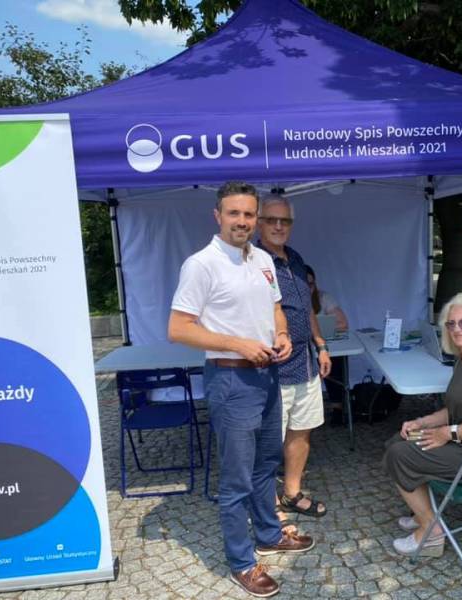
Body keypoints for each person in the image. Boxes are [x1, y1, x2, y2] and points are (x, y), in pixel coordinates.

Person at [168, 182, 313, 598]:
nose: (242, 221)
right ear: (218, 216)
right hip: (230, 378)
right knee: (236, 479)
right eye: (234, 213)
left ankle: (268, 534)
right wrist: (238, 344)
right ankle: (242, 562)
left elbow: (275, 309)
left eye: (249, 214)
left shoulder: (263, 259)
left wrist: (282, 334)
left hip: (267, 375)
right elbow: (178, 329)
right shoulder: (202, 264)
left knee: (266, 464)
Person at [383, 293, 462, 557]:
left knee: (399, 455)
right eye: (451, 324)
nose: (456, 329)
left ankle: (430, 531)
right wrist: (421, 422)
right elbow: (455, 410)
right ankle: (423, 513)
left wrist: (447, 433)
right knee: (399, 440)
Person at [256, 195, 331, 522]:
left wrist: (321, 344)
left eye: (284, 220)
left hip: (306, 362)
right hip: (273, 367)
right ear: (259, 223)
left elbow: (306, 308)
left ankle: (291, 493)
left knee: (301, 431)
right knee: (268, 440)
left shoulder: (296, 258)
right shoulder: (252, 263)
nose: (278, 226)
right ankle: (268, 505)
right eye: (271, 220)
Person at [305, 264, 349, 425]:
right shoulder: (286, 300)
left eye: (311, 284)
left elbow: (343, 323)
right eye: (305, 284)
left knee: (334, 360)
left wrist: (319, 329)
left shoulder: (323, 297)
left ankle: (338, 407)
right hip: (301, 348)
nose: (309, 288)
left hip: (322, 345)